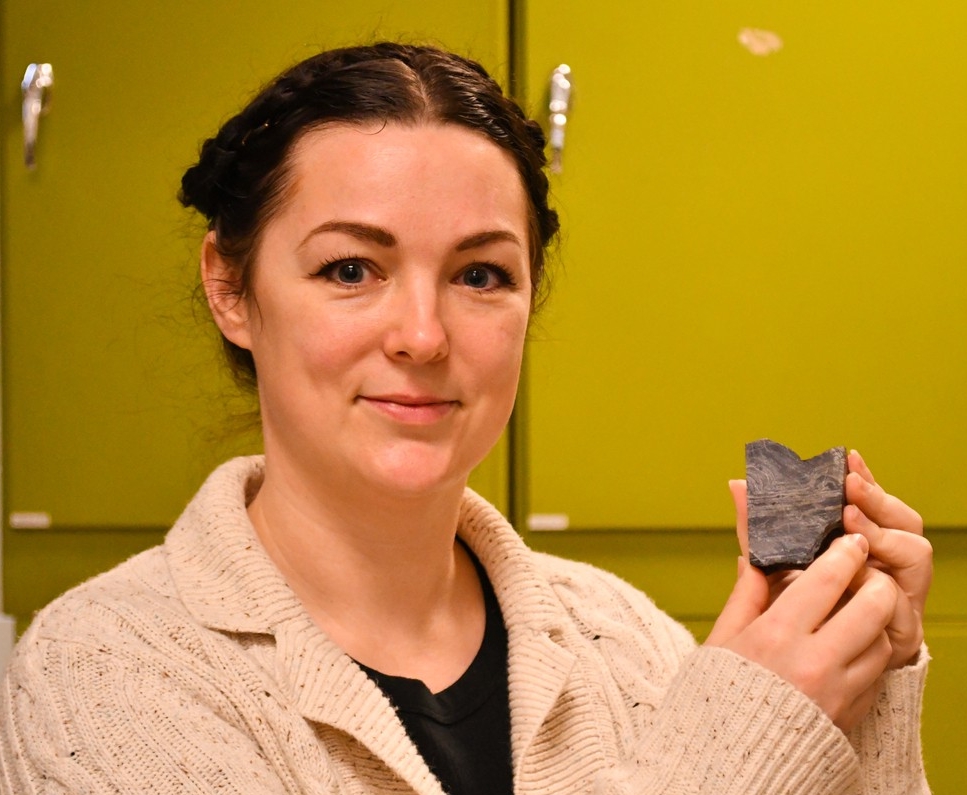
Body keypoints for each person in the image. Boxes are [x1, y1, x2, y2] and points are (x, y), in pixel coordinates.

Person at [0, 42, 931, 795]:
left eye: (480, 275)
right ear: (230, 288)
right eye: (349, 270)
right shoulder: (100, 676)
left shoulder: (621, 633)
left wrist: (863, 695)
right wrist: (739, 743)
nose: (421, 334)